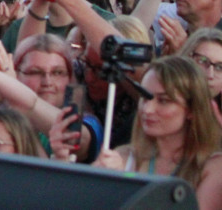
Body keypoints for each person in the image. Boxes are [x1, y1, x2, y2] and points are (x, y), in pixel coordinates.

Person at [93, 56, 222, 209]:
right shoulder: (123, 158)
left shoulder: (212, 167)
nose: (147, 109)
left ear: (192, 110)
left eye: (163, 101)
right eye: (145, 98)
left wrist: (125, 189)